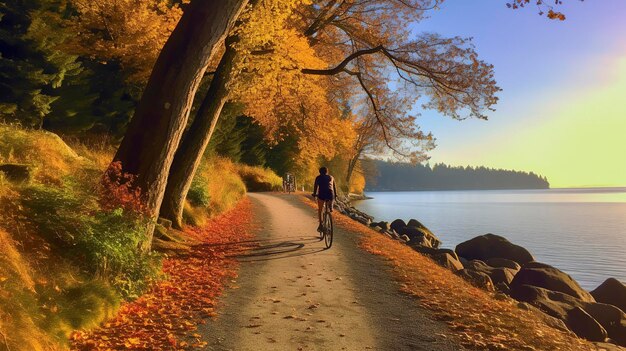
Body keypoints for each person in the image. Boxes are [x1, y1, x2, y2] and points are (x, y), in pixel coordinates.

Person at [311, 166, 337, 232]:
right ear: (327, 172)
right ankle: (331, 206)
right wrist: (335, 195)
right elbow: (334, 187)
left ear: (320, 172)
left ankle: (320, 225)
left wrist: (314, 194)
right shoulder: (331, 177)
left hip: (322, 194)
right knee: (331, 197)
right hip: (330, 194)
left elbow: (315, 187)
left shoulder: (318, 177)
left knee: (320, 209)